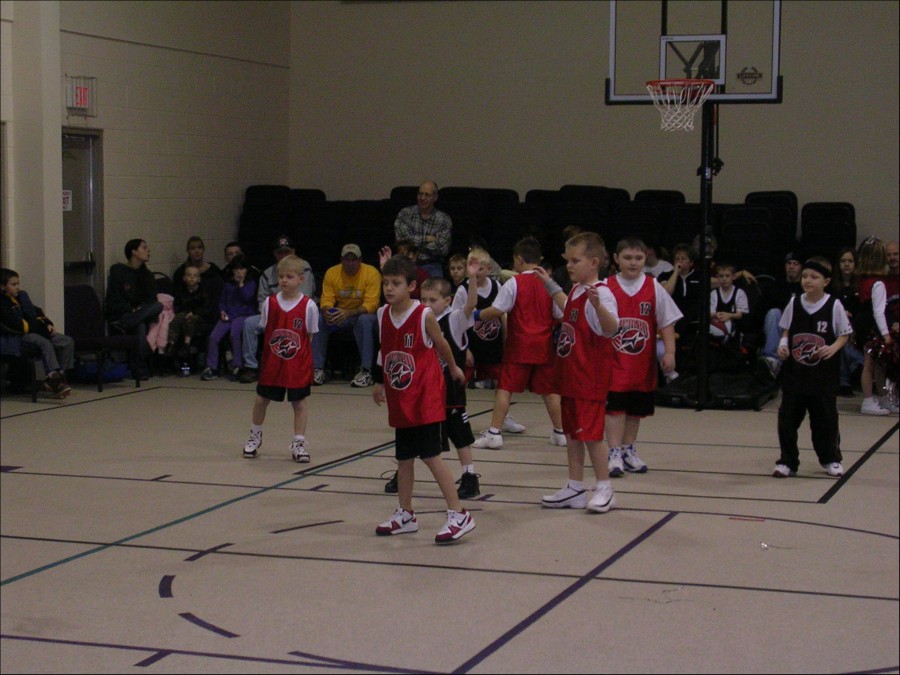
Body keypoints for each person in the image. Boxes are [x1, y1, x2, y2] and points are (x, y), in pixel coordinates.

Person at [372, 254, 475, 544]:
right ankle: (405, 514)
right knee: (404, 458)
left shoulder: (423, 315)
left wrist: (454, 367)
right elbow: (384, 349)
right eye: (386, 283)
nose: (389, 288)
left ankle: (459, 513)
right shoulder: (383, 314)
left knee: (431, 455)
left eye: (396, 283)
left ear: (412, 286)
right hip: (401, 396)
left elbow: (441, 344)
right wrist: (380, 381)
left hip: (426, 395)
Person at [540, 232, 620, 512]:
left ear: (594, 262)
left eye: (576, 260)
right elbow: (568, 307)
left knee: (591, 435)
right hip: (570, 377)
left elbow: (612, 329)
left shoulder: (603, 293)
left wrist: (598, 306)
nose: (570, 266)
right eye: (568, 260)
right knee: (573, 434)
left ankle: (605, 487)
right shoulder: (575, 290)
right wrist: (549, 284)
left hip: (589, 379)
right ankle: (575, 487)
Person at [386, 271, 481, 497]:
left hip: (450, 391)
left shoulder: (454, 319)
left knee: (460, 435)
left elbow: (471, 304)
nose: (427, 303)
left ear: (447, 301)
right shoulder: (417, 316)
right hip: (425, 391)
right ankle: (404, 472)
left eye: (433, 300)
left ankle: (469, 476)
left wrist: (473, 278)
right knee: (420, 436)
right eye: (424, 299)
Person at [472, 236, 566, 450]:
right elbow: (561, 314)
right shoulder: (550, 284)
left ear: (518, 259)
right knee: (550, 391)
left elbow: (497, 310)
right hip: (543, 346)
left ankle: (494, 434)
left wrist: (474, 315)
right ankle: (560, 433)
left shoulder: (514, 282)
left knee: (505, 388)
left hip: (519, 346)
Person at [603, 239, 682, 478]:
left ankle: (628, 450)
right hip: (613, 364)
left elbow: (667, 322)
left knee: (635, 411)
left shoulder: (654, 287)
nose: (633, 263)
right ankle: (613, 452)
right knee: (615, 409)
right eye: (627, 258)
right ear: (616, 259)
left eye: (638, 258)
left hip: (641, 365)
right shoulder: (606, 287)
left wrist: (670, 352)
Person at [772, 257, 852, 478]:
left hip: (822, 377)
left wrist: (833, 347)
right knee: (787, 420)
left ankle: (831, 459)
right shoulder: (794, 302)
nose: (808, 280)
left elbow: (844, 334)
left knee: (825, 421)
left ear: (825, 281)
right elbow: (786, 329)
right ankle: (787, 461)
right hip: (795, 375)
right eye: (805, 276)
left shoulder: (834, 305)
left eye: (814, 277)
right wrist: (782, 344)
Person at [242, 255, 319, 462]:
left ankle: (299, 442)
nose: (285, 280)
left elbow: (309, 336)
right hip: (272, 363)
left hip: (297, 364)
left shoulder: (309, 306)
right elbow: (267, 330)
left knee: (299, 403)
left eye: (290, 276)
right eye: (281, 276)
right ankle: (255, 435)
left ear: (301, 280)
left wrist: (297, 357)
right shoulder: (270, 303)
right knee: (261, 399)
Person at [451, 247, 523, 429]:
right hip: (471, 346)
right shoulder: (462, 290)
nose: (475, 272)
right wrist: (463, 348)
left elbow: (502, 315)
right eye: (472, 267)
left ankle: (504, 417)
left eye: (480, 268)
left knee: (503, 384)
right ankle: (455, 415)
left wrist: (506, 339)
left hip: (493, 346)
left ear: (489, 268)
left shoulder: (497, 287)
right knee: (459, 383)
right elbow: (454, 322)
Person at [238, 235, 315, 384]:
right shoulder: (267, 273)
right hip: (273, 314)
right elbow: (262, 300)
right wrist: (275, 313)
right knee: (249, 323)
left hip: (296, 314)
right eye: (280, 252)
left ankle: (310, 366)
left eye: (287, 252)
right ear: (274, 254)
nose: (283, 256)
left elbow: (305, 298)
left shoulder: (303, 267)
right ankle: (251, 367)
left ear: (293, 252)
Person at [312, 243, 381, 387]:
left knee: (364, 320)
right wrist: (327, 311)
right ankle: (317, 369)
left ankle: (366, 371)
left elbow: (372, 304)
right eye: (347, 260)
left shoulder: (372, 273)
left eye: (354, 260)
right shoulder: (332, 272)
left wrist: (349, 313)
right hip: (340, 314)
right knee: (318, 318)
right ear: (341, 260)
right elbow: (326, 299)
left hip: (362, 315)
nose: (350, 263)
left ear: (360, 260)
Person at [0, 268, 74, 398]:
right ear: (2, 286)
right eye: (13, 284)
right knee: (43, 342)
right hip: (17, 337)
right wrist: (42, 329)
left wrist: (48, 324)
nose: (17, 287)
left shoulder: (22, 297)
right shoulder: (3, 302)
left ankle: (59, 377)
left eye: (18, 283)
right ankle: (54, 378)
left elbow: (37, 313)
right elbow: (16, 325)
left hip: (36, 330)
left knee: (67, 341)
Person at [105, 238, 163, 380]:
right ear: (133, 252)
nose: (148, 250)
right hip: (121, 314)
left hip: (136, 315)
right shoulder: (118, 271)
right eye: (144, 248)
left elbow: (151, 300)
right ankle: (140, 369)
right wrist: (130, 309)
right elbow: (114, 299)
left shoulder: (147, 275)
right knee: (140, 326)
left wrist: (138, 310)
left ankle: (139, 369)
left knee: (158, 306)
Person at [855, 237, 896, 415]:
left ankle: (883, 398)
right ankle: (868, 400)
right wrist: (885, 334)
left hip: (866, 327)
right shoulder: (878, 284)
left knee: (879, 365)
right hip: (874, 329)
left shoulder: (864, 280)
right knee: (870, 364)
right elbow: (878, 312)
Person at [201, 254, 258, 381]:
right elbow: (222, 301)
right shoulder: (228, 284)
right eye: (236, 269)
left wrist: (241, 284)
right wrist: (222, 311)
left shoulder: (250, 283)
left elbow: (247, 298)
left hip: (244, 315)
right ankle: (212, 367)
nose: (239, 271)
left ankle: (237, 365)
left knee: (235, 334)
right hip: (229, 315)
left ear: (246, 270)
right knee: (214, 337)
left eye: (242, 269)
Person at [757, 251, 804, 379]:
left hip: (798, 326)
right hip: (777, 327)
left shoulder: (805, 287)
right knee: (774, 312)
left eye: (795, 264)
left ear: (801, 267)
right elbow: (762, 310)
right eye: (789, 263)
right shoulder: (776, 286)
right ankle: (772, 360)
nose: (792, 266)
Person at [393, 180, 452, 278]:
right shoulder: (405, 214)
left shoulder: (444, 219)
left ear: (435, 197)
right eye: (420, 194)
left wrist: (414, 246)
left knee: (436, 290)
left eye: (427, 195)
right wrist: (427, 239)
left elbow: (442, 249)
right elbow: (402, 242)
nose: (422, 198)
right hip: (406, 262)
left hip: (432, 265)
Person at [167, 264, 217, 372]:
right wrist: (184, 313)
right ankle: (171, 343)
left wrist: (193, 313)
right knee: (178, 318)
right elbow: (177, 306)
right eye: (189, 275)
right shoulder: (180, 292)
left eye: (195, 275)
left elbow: (207, 309)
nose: (192, 277)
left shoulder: (204, 292)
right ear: (184, 278)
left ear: (199, 279)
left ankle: (186, 344)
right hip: (183, 317)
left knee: (191, 319)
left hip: (200, 319)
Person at [830, 247, 864, 396]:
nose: (846, 264)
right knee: (842, 339)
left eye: (850, 261)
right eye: (843, 261)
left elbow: (864, 310)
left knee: (845, 337)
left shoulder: (861, 285)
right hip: (836, 329)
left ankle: (847, 377)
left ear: (855, 263)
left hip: (857, 327)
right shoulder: (832, 286)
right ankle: (856, 365)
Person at [658, 243, 703, 352]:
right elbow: (666, 293)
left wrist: (741, 273)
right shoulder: (665, 275)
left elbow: (722, 281)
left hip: (693, 317)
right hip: (672, 316)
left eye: (683, 258)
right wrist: (676, 273)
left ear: (691, 262)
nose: (679, 261)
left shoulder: (700, 276)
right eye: (677, 258)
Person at [709, 261, 750, 343]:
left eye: (727, 276)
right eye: (721, 276)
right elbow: (710, 313)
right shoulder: (713, 293)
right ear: (717, 277)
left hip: (735, 330)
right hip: (717, 329)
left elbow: (739, 315)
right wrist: (716, 315)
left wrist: (729, 315)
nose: (724, 279)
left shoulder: (739, 293)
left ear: (733, 277)